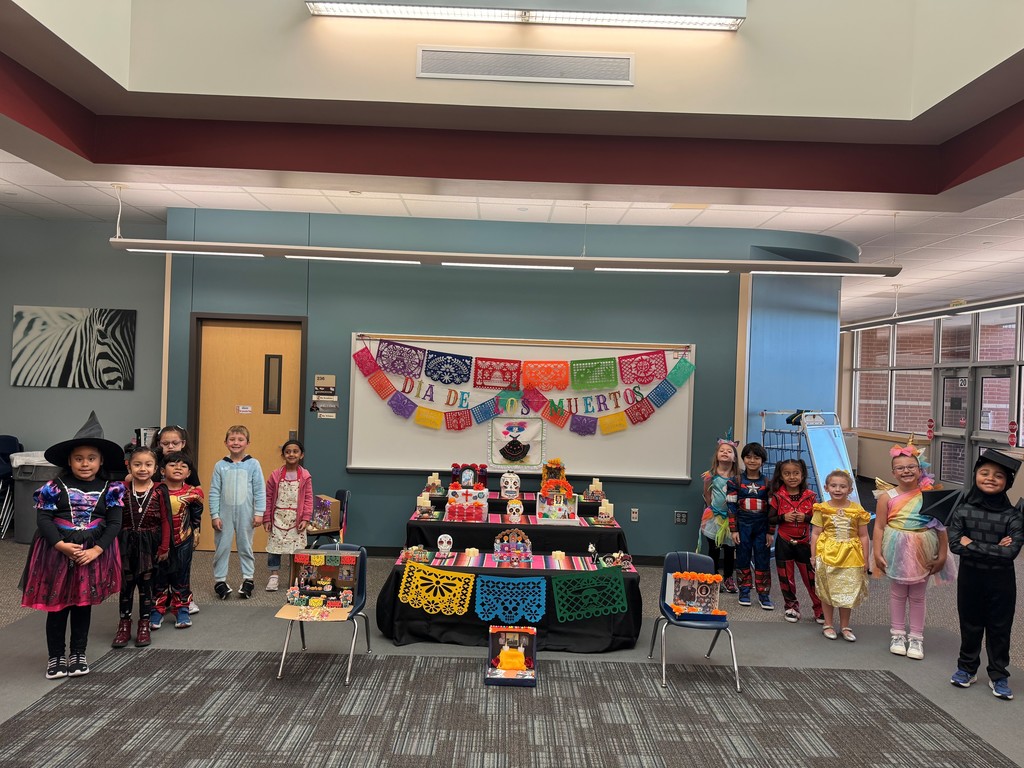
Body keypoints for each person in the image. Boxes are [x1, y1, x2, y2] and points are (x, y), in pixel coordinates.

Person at [20, 411, 125, 679]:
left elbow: (114, 524)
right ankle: (55, 656)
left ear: (101, 461)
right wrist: (60, 545)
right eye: (79, 458)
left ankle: (78, 652)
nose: (85, 463)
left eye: (91, 458)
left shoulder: (110, 488)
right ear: (70, 460)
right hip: (57, 553)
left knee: (82, 604)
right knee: (57, 606)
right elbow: (43, 518)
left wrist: (96, 550)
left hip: (90, 554)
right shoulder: (54, 486)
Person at [947, 450, 1024, 700]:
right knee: (970, 625)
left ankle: (999, 674)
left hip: (1001, 582)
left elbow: (1010, 553)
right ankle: (967, 669)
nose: (991, 478)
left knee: (1000, 628)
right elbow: (955, 545)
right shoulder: (963, 510)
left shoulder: (1013, 516)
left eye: (999, 476)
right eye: (984, 473)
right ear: (975, 476)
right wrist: (992, 548)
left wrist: (972, 545)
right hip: (970, 579)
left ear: (1007, 482)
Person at [873, 440, 955, 660]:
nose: (906, 471)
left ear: (920, 469)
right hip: (896, 547)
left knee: (918, 595)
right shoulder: (886, 497)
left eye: (911, 467)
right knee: (898, 593)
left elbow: (941, 528)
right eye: (900, 468)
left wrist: (943, 555)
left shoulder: (930, 494)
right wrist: (877, 552)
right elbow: (879, 526)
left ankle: (916, 638)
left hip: (923, 546)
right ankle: (897, 634)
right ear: (893, 472)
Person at [113, 447, 171, 648]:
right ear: (129, 465)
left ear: (156, 468)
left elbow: (165, 520)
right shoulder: (120, 488)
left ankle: (144, 624)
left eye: (148, 465)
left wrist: (164, 546)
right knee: (126, 586)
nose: (143, 469)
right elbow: (113, 520)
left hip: (150, 543)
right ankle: (124, 624)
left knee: (147, 587)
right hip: (126, 543)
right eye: (137, 464)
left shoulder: (159, 490)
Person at [811, 469, 870, 642]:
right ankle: (828, 624)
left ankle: (845, 625)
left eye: (842, 486)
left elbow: (864, 536)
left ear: (850, 489)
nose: (838, 489)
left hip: (851, 555)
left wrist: (866, 559)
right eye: (834, 485)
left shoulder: (857, 510)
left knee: (847, 590)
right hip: (827, 553)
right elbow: (815, 534)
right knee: (827, 590)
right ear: (826, 487)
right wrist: (813, 556)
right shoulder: (822, 509)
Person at [149, 425, 202, 614]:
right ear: (158, 443)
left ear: (183, 443)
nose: (170, 446)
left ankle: (184, 600)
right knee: (159, 567)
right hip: (157, 529)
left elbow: (197, 500)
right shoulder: (152, 465)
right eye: (165, 443)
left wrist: (196, 529)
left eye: (175, 443)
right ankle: (159, 603)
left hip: (182, 527)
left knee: (182, 566)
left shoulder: (188, 467)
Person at [209, 425, 265, 599]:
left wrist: (259, 512)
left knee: (245, 546)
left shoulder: (253, 464)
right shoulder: (220, 466)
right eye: (232, 439)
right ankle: (220, 580)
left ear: (247, 442)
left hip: (246, 514)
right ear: (226, 442)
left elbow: (259, 490)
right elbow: (214, 491)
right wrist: (214, 515)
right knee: (222, 547)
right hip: (224, 515)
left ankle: (248, 578)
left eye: (240, 439)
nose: (236, 443)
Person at [768, 458, 823, 624]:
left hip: (805, 543)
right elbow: (770, 518)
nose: (792, 477)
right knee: (786, 577)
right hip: (784, 542)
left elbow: (820, 520)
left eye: (796, 473)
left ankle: (819, 608)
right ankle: (791, 607)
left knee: (811, 577)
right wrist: (783, 517)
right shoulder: (778, 497)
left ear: (803, 475)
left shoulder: (811, 497)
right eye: (787, 473)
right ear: (781, 476)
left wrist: (806, 517)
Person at [727, 442, 774, 609]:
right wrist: (734, 530)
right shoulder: (735, 481)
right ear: (743, 459)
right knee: (742, 558)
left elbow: (772, 510)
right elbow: (731, 507)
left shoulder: (769, 483)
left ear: (763, 460)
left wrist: (770, 532)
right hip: (743, 525)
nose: (752, 460)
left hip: (762, 526)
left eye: (756, 457)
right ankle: (744, 591)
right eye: (748, 457)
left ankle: (764, 594)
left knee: (763, 559)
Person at [263, 439, 313, 592]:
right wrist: (266, 518)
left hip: (296, 519)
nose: (291, 454)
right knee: (274, 548)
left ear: (301, 455)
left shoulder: (305, 476)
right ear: (283, 455)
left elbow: (309, 498)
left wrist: (305, 518)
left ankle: (296, 577)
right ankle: (274, 576)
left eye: (295, 451)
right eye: (288, 451)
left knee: (296, 549)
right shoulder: (275, 475)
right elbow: (268, 496)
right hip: (278, 517)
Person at [699, 438, 740, 593]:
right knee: (714, 549)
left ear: (734, 458)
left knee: (730, 549)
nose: (725, 453)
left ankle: (729, 577)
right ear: (717, 455)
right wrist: (712, 509)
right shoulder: (710, 475)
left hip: (731, 519)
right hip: (714, 518)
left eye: (729, 451)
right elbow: (707, 494)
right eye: (722, 450)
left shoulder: (737, 477)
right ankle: (713, 576)